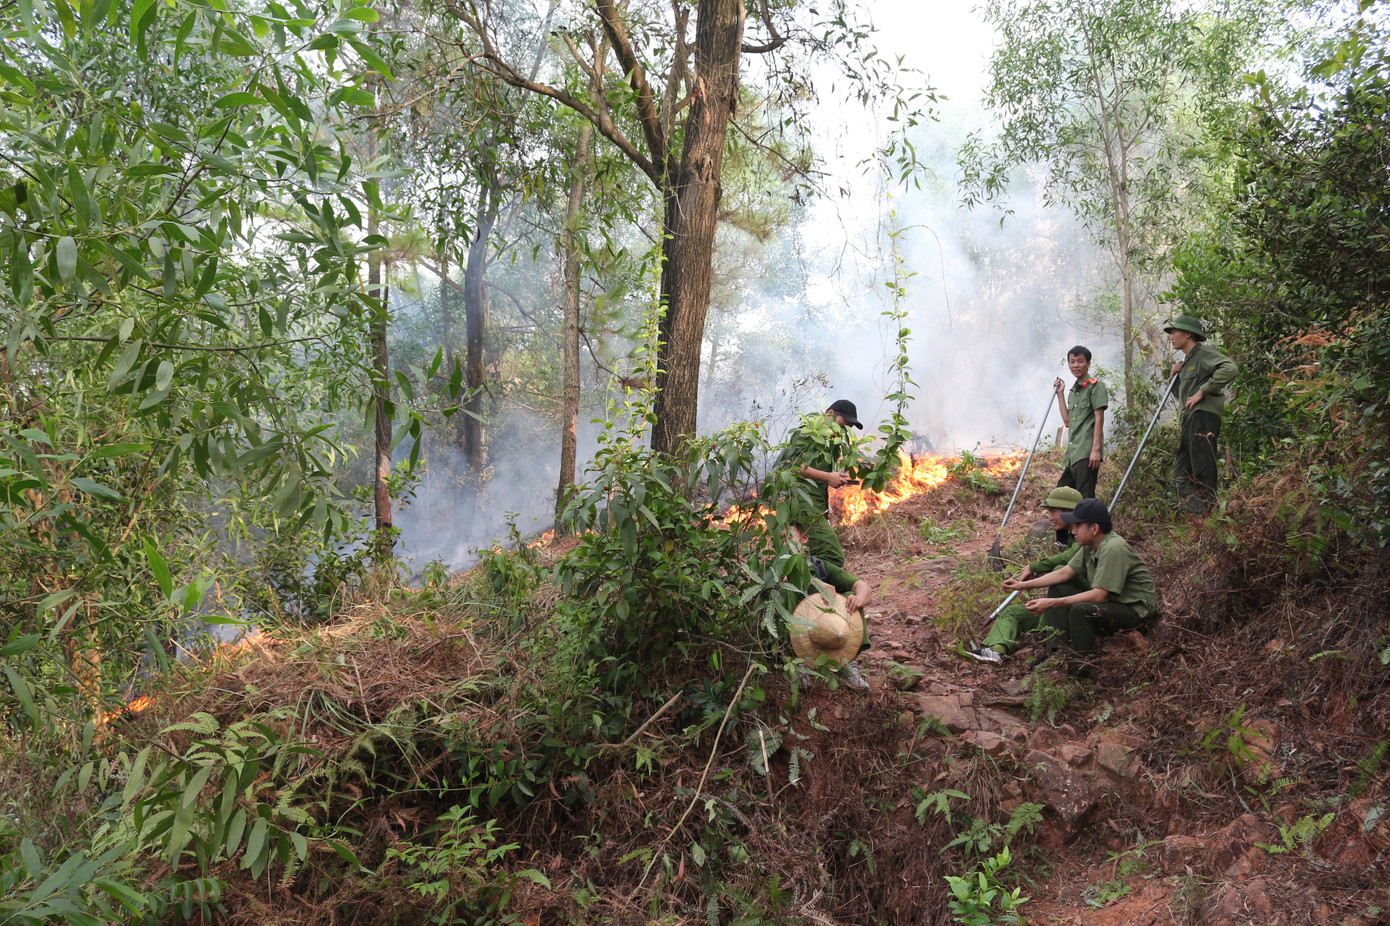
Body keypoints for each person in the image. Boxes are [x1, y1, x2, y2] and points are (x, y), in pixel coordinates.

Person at [1001, 498, 1158, 677]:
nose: (1073, 531)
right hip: (1114, 605)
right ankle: (1055, 652)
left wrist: (1051, 603)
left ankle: (1078, 672)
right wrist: (1022, 584)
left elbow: (1098, 596)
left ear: (1094, 528)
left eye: (1077, 526)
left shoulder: (1113, 548)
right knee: (1059, 587)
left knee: (1080, 609)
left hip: (1137, 613)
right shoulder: (1090, 546)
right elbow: (1064, 573)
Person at [964, 486, 1086, 664]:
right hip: (1055, 610)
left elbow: (1068, 562)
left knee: (1059, 569)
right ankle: (995, 651)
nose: (1050, 518)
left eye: (1053, 512)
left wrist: (1033, 569)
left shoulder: (1087, 537)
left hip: (1078, 610)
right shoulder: (1069, 535)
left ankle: (1055, 652)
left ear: (1070, 511)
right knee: (1012, 612)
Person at [777, 399, 864, 568]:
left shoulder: (826, 440)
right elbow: (793, 465)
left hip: (813, 506)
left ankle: (809, 591)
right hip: (802, 505)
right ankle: (821, 589)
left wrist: (832, 482)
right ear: (830, 414)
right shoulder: (809, 433)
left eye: (847, 429)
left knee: (802, 553)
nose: (843, 431)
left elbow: (815, 473)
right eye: (843, 425)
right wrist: (828, 477)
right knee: (833, 555)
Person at [1165, 314, 1238, 514]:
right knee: (1180, 478)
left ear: (1188, 334)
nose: (1171, 336)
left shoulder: (1204, 353)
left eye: (1174, 331)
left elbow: (1230, 369)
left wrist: (1203, 391)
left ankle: (1213, 522)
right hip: (1189, 420)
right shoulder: (1186, 362)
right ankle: (1200, 519)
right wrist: (1173, 377)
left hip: (1203, 417)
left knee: (1203, 471)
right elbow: (1183, 397)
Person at [788, 523, 873, 690]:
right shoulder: (777, 567)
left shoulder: (819, 566)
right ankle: (799, 664)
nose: (786, 544)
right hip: (797, 637)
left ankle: (847, 662)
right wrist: (816, 583)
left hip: (827, 629)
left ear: (804, 539)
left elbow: (863, 588)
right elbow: (791, 577)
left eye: (790, 537)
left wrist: (859, 599)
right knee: (786, 591)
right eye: (781, 539)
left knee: (850, 597)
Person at [1053, 346, 1108, 543]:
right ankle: (1064, 540)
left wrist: (1096, 450)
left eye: (1080, 361)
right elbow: (1068, 422)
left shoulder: (1095, 386)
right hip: (1073, 454)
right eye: (1072, 362)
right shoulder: (1073, 391)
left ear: (1088, 363)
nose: (1076, 365)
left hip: (1086, 452)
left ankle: (1090, 543)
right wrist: (1060, 394)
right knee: (1061, 495)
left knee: (1085, 500)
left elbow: (1099, 418)